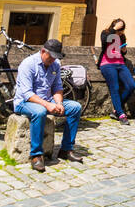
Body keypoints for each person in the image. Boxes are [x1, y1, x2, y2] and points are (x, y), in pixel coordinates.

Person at [14, 38, 83, 170]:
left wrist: (59, 103)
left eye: (55, 57)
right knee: (39, 111)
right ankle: (36, 155)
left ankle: (66, 149)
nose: (52, 60)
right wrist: (47, 105)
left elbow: (57, 87)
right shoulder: (28, 64)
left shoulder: (55, 64)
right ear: (43, 51)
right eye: (51, 56)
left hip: (47, 100)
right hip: (24, 102)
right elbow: (27, 93)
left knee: (75, 108)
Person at [97, 17, 135, 123]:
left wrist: (124, 50)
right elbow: (105, 42)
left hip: (120, 64)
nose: (121, 32)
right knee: (115, 87)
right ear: (114, 26)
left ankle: (116, 110)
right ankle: (121, 114)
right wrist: (114, 30)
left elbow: (121, 52)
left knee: (131, 85)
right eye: (119, 29)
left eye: (122, 29)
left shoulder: (122, 36)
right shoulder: (105, 33)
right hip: (107, 64)